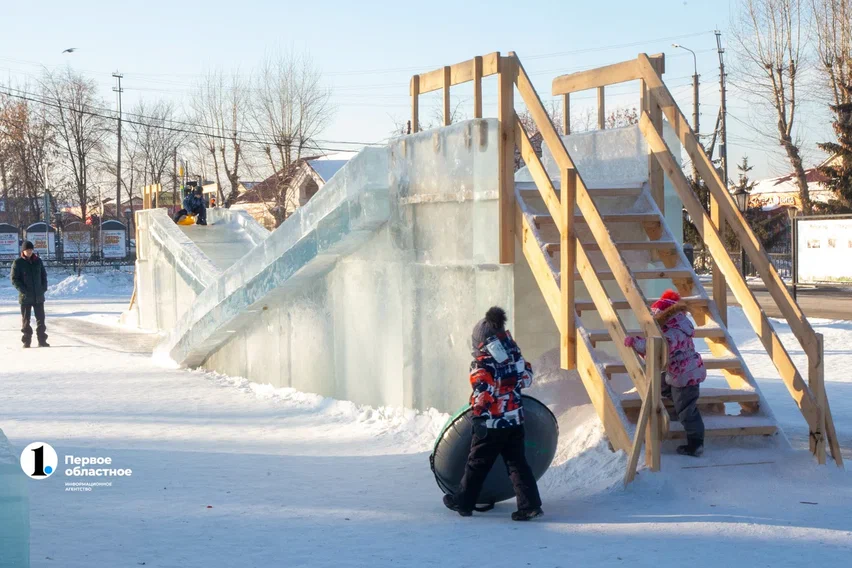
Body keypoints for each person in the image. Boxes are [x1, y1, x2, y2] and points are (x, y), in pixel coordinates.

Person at [443, 306, 543, 521]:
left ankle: (463, 502)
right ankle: (530, 505)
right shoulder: (515, 357)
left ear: (480, 343)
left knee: (477, 464)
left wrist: (478, 415)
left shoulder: (482, 364)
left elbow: (482, 392)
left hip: (491, 424)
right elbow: (526, 379)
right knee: (517, 464)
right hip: (515, 420)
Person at [624, 289, 706, 457]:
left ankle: (696, 444)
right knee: (661, 384)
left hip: (685, 377)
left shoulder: (674, 333)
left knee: (687, 412)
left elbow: (660, 347)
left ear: (665, 317)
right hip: (679, 373)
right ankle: (677, 404)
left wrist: (636, 343)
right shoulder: (677, 326)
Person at [10, 240, 49, 348]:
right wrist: (23, 290)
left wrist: (43, 288)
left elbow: (43, 276)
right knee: (26, 321)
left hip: (39, 296)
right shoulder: (18, 263)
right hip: (25, 297)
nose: (30, 252)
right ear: (23, 251)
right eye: (27, 250)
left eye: (31, 250)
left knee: (41, 319)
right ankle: (27, 341)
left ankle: (42, 341)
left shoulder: (38, 261)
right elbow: (14, 279)